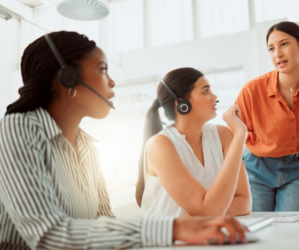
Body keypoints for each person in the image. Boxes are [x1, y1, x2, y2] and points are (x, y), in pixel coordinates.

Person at [0, 31, 246, 250]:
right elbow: (47, 236)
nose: (112, 81)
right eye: (102, 69)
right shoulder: (17, 128)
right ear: (69, 77)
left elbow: (104, 224)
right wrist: (172, 229)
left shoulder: (87, 147)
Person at [235, 21, 299, 212]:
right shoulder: (252, 90)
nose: (277, 54)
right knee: (260, 232)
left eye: (284, 44)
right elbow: (233, 139)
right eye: (271, 48)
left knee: (295, 231)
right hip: (256, 167)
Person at [135, 68, 252, 217]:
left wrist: (204, 213)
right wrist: (240, 135)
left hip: (205, 234)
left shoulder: (222, 135)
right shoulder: (160, 145)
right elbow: (208, 211)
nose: (214, 96)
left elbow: (244, 203)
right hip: (166, 239)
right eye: (205, 91)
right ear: (182, 105)